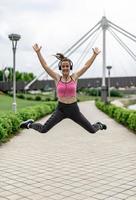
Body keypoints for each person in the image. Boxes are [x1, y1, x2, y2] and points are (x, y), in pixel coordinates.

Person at [20, 44, 107, 133]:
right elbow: (45, 66)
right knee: (43, 129)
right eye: (63, 66)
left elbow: (86, 66)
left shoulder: (74, 77)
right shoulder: (57, 78)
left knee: (92, 130)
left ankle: (99, 125)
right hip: (61, 109)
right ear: (60, 68)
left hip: (74, 109)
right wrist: (38, 52)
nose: (65, 68)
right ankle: (29, 124)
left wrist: (94, 55)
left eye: (67, 66)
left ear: (70, 67)